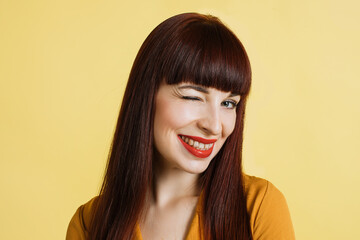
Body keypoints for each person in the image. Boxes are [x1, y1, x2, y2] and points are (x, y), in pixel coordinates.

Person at [66, 12, 295, 240]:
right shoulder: (90, 224)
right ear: (146, 96)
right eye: (193, 97)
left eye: (228, 103)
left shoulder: (258, 208)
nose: (215, 126)